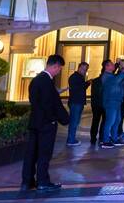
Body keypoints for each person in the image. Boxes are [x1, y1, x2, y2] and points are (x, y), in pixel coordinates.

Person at [21, 54, 69, 193]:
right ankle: (43, 181)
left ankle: (27, 181)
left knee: (31, 153)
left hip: (35, 121)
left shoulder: (35, 80)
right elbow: (53, 104)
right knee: (44, 153)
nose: (58, 72)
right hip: (47, 123)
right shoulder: (47, 82)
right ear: (55, 66)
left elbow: (34, 101)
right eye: (59, 69)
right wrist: (63, 119)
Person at [98, 59, 124, 148]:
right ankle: (105, 141)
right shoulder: (105, 76)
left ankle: (114, 138)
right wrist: (123, 72)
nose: (114, 66)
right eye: (112, 64)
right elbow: (116, 82)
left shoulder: (112, 76)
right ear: (106, 67)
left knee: (117, 120)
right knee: (110, 121)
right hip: (111, 101)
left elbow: (121, 81)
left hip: (117, 100)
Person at [64, 61, 88, 146]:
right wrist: (87, 83)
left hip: (78, 102)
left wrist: (86, 83)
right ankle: (71, 140)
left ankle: (71, 138)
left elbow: (81, 88)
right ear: (78, 67)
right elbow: (77, 89)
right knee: (74, 121)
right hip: (75, 102)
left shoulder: (80, 77)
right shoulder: (74, 77)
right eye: (82, 68)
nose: (83, 71)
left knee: (76, 121)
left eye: (85, 70)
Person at [89, 59, 111, 147]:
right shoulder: (106, 81)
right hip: (103, 104)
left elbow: (93, 94)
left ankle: (93, 138)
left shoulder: (95, 81)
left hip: (96, 105)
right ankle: (101, 137)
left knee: (95, 121)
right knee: (103, 122)